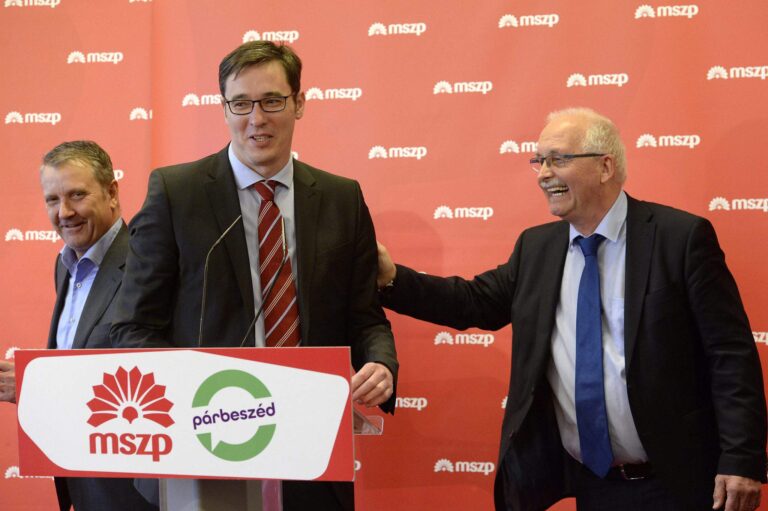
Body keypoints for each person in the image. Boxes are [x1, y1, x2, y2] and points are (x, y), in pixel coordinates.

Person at [376, 108, 766, 511]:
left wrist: (742, 457)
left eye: (558, 159)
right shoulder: (537, 248)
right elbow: (472, 302)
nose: (544, 174)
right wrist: (391, 279)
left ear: (605, 166)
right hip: (593, 484)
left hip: (679, 482)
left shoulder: (680, 238)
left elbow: (730, 354)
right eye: (539, 161)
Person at [110, 41, 398, 511]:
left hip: (312, 441)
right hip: (206, 444)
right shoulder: (177, 193)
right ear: (224, 108)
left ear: (299, 103)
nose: (256, 119)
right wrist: (193, 391)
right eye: (241, 104)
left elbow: (365, 317)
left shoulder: (341, 198)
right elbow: (132, 327)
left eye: (272, 101)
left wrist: (381, 364)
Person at [0, 141, 158, 511]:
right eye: (52, 200)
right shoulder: (65, 265)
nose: (64, 212)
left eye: (77, 195)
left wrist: (38, 384)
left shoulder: (147, 265)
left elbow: (149, 377)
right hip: (82, 479)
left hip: (132, 489)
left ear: (112, 193)